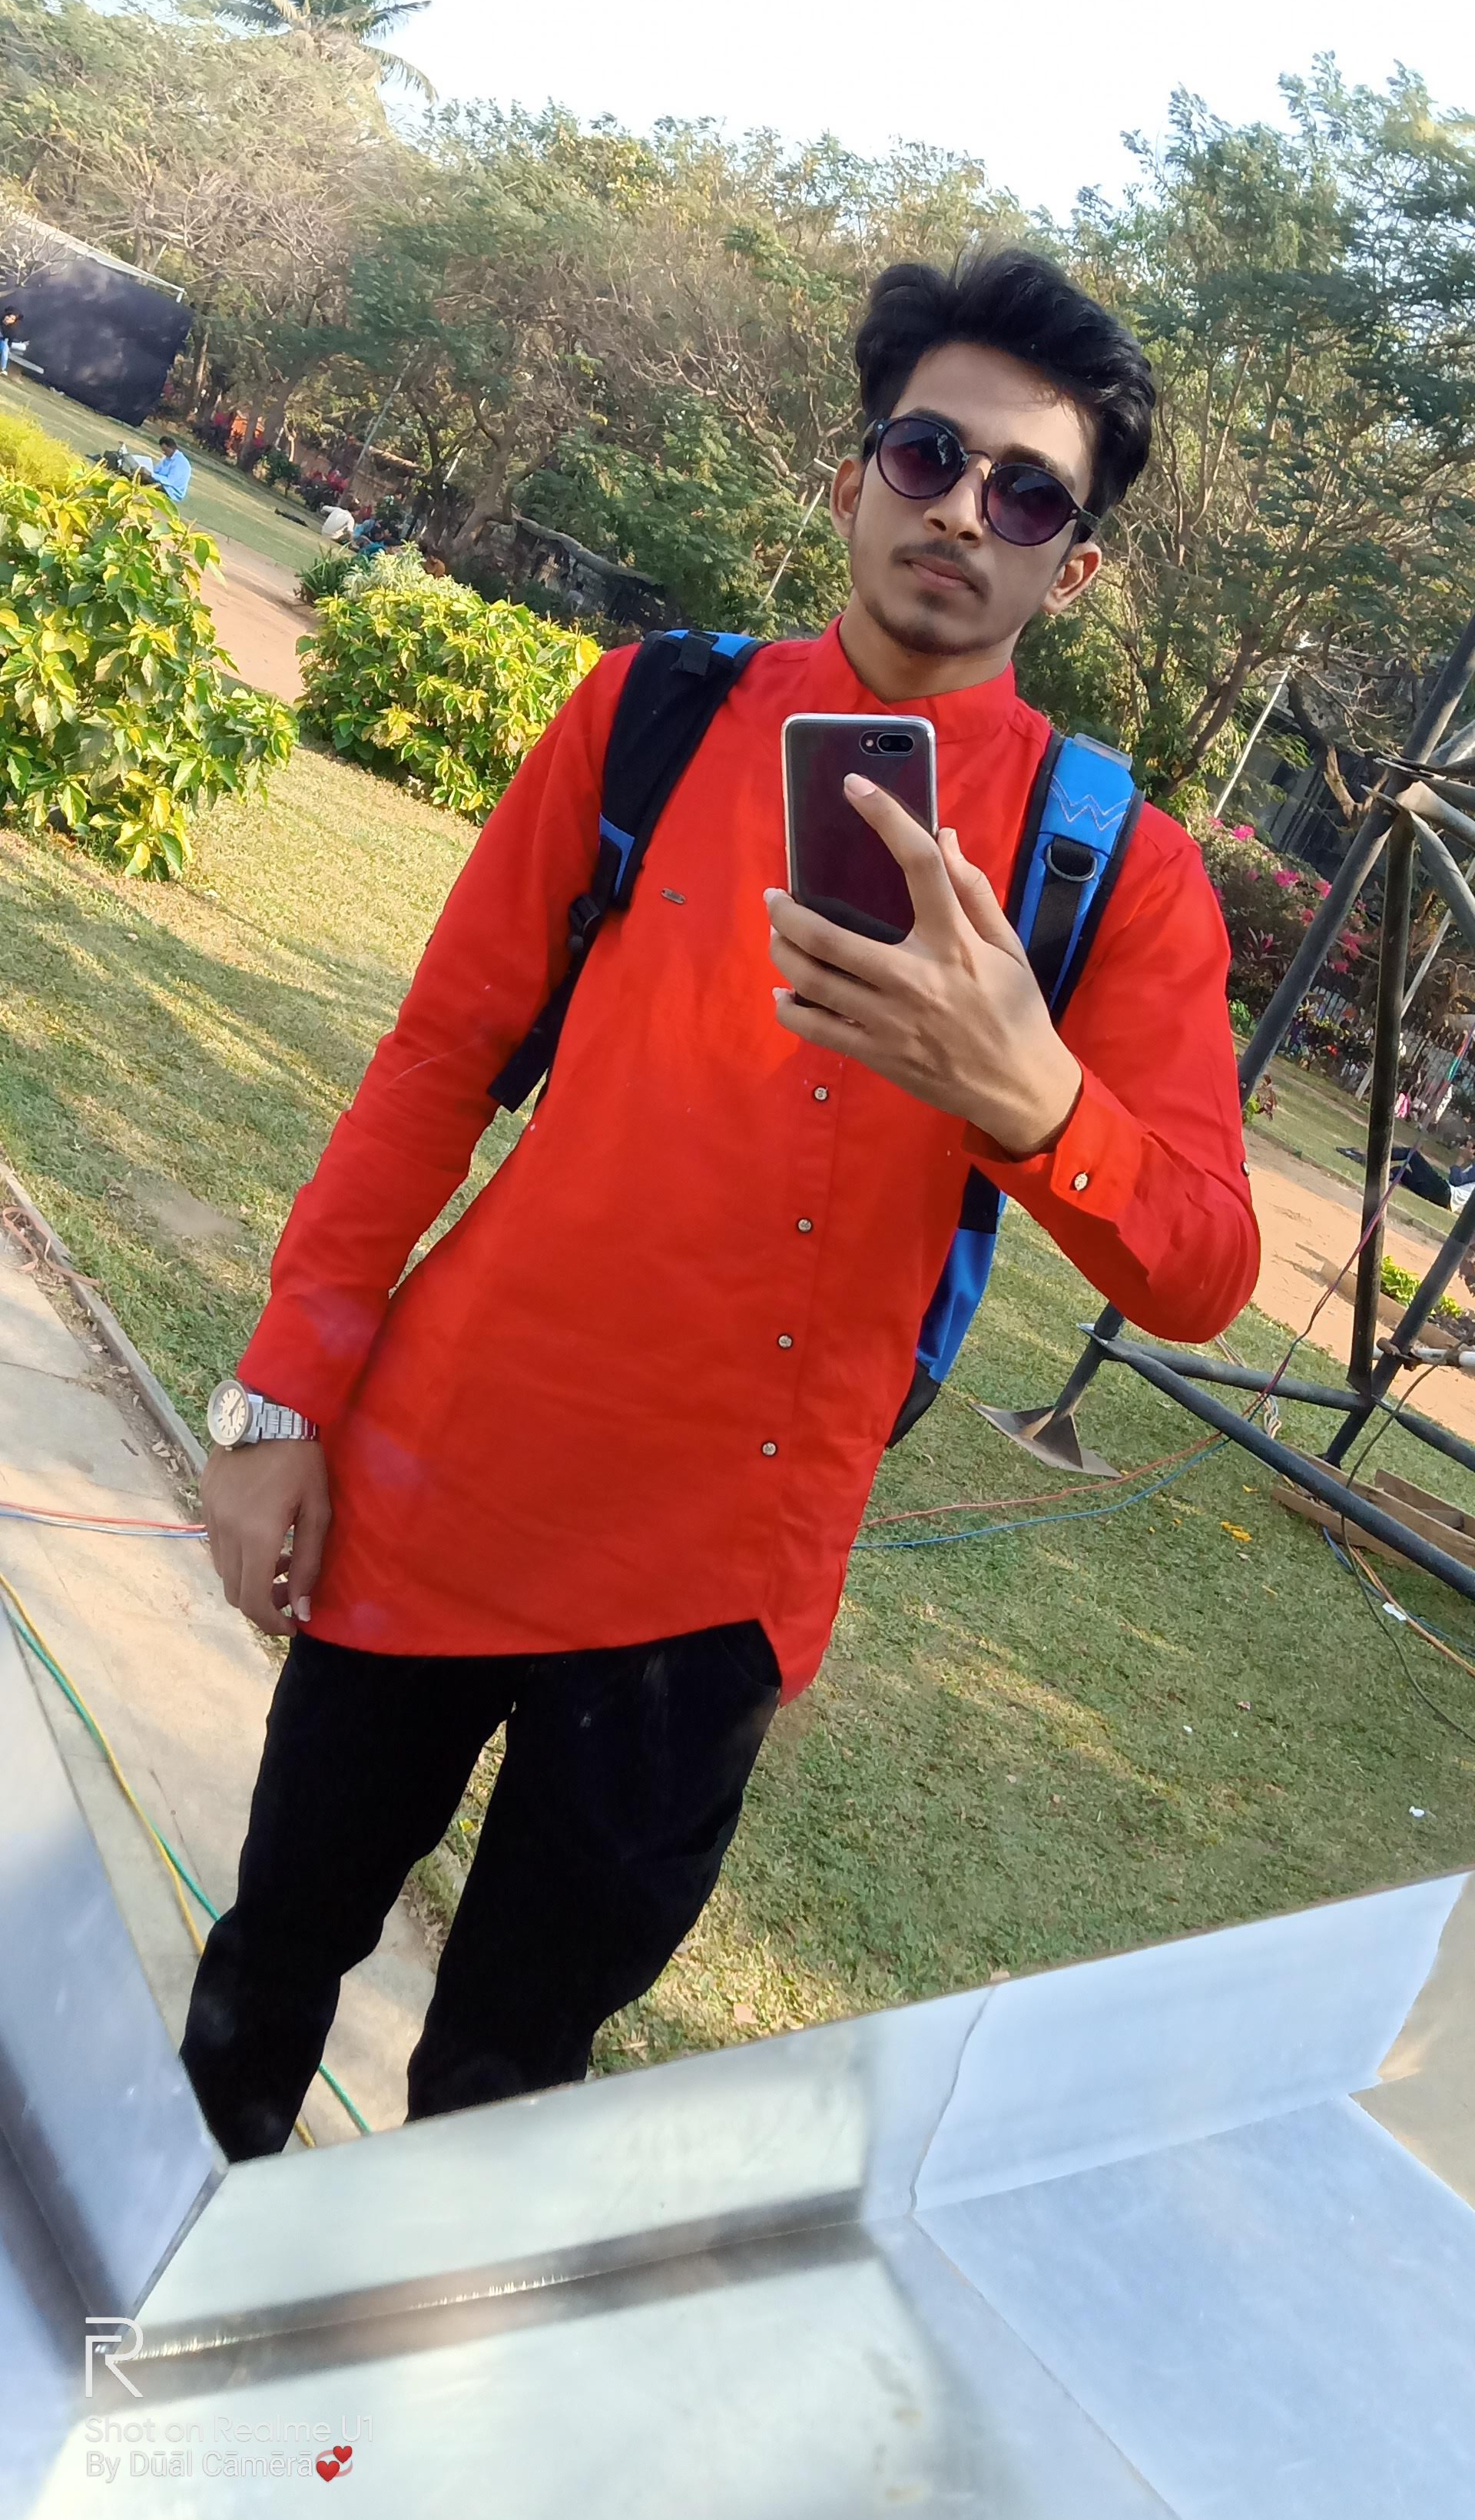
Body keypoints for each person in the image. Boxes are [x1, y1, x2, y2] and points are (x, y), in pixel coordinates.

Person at [184, 245, 1260, 2161]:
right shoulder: (650, 717)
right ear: (851, 477)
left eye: (1028, 494)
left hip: (707, 1599)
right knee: (263, 1977)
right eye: (928, 455)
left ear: (1073, 569)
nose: (964, 512)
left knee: (502, 2097)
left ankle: (385, 2363)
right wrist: (281, 1402)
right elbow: (434, 1067)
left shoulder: (1110, 868)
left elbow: (1201, 1265)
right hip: (440, 1475)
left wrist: (1032, 1096)